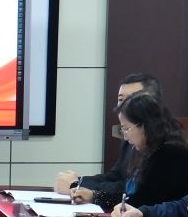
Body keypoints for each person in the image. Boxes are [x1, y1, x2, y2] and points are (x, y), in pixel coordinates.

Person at [55, 72, 162, 201]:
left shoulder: (163, 144)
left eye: (132, 100)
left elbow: (129, 189)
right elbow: (115, 176)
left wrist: (77, 185)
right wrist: (78, 181)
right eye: (121, 100)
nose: (124, 106)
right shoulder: (129, 135)